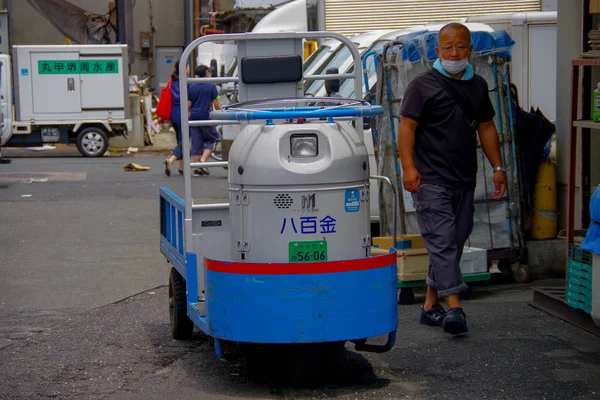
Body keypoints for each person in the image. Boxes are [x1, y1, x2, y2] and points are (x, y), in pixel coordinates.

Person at [398, 23, 507, 335]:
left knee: (454, 241)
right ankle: (455, 308)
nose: (455, 53)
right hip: (430, 178)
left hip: (463, 178)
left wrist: (498, 168)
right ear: (438, 51)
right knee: (443, 241)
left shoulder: (477, 85)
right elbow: (406, 128)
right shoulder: (422, 85)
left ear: (470, 50)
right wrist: (408, 167)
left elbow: (486, 128)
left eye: (460, 47)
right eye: (448, 47)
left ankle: (430, 305)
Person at [188, 65, 221, 176]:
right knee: (213, 139)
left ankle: (196, 168)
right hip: (206, 115)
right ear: (207, 73)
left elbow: (188, 104)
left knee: (196, 142)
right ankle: (201, 163)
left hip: (193, 116)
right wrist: (221, 114)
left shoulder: (191, 86)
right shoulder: (211, 86)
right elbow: (216, 104)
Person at [164, 61, 190, 177]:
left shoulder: (172, 80)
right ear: (184, 68)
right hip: (183, 114)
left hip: (173, 113)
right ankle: (171, 160)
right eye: (188, 67)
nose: (189, 69)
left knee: (180, 139)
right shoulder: (187, 81)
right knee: (184, 141)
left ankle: (182, 167)